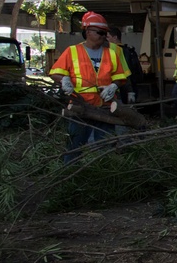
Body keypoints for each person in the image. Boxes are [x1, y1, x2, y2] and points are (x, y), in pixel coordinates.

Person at [49, 11, 129, 163]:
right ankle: (70, 173)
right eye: (99, 32)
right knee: (74, 147)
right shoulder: (72, 52)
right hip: (80, 107)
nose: (103, 36)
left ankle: (103, 175)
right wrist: (64, 79)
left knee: (106, 148)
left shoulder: (111, 53)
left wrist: (113, 86)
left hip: (104, 108)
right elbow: (55, 73)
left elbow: (120, 77)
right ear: (87, 31)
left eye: (104, 33)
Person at [106, 26, 143, 104]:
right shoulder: (127, 50)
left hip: (120, 87)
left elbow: (126, 71)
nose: (105, 39)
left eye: (107, 37)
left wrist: (130, 91)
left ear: (115, 37)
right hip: (121, 86)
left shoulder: (118, 50)